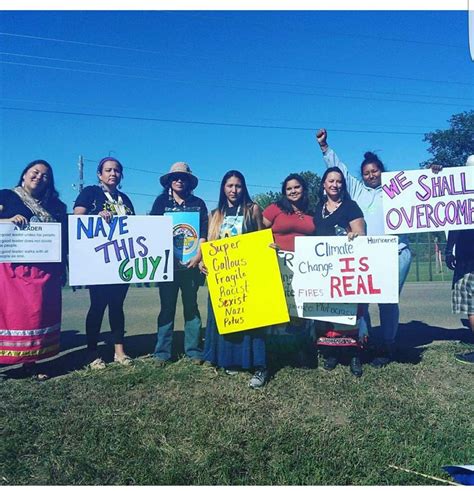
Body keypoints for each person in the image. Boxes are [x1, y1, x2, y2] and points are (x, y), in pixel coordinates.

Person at [316, 129, 411, 368]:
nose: (371, 176)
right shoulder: (358, 192)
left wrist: (434, 174)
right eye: (366, 173)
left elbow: (425, 191)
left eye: (375, 171)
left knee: (388, 301)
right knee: (362, 302)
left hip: (396, 252)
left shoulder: (398, 190)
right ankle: (364, 342)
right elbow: (340, 170)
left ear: (382, 171)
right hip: (368, 255)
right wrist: (325, 148)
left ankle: (388, 345)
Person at [0, 160, 67, 380]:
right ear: (24, 175)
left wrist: (63, 268)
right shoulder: (6, 197)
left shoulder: (57, 206)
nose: (39, 177)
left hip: (43, 271)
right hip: (12, 271)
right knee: (9, 316)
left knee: (34, 317)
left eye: (45, 175)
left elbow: (63, 239)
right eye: (35, 172)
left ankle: (30, 362)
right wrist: (7, 220)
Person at [202, 170, 267, 388]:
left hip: (248, 274)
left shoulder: (253, 209)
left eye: (238, 186)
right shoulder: (215, 214)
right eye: (229, 186)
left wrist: (268, 248)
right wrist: (204, 261)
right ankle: (230, 360)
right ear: (223, 188)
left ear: (243, 188)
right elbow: (209, 245)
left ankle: (257, 363)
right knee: (228, 317)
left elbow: (261, 237)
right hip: (224, 277)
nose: (233, 190)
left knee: (252, 321)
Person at [74, 156, 135, 369]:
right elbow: (78, 216)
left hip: (121, 263)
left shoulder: (125, 199)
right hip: (98, 262)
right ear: (100, 174)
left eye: (117, 170)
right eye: (108, 170)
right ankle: (92, 353)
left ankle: (119, 351)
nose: (112, 174)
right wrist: (96, 215)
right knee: (98, 306)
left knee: (117, 306)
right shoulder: (91, 193)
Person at [150, 162, 208, 365]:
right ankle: (162, 353)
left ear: (189, 181)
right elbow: (152, 231)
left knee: (191, 308)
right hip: (167, 266)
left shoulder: (199, 203)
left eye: (183, 177)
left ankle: (193, 350)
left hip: (191, 266)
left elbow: (203, 233)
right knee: (166, 307)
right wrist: (167, 255)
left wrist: (198, 256)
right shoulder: (160, 203)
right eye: (175, 177)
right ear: (169, 181)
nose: (179, 180)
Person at [313, 167, 367, 377]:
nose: (335, 185)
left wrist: (354, 235)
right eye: (331, 181)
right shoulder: (318, 208)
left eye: (339, 181)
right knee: (329, 311)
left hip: (347, 268)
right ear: (324, 185)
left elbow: (361, 232)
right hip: (325, 270)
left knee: (349, 313)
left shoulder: (351, 206)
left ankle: (354, 355)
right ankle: (332, 352)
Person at [262, 173, 316, 365]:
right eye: (289, 188)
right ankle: (274, 352)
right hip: (278, 266)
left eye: (297, 187)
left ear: (303, 189)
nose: (293, 191)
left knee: (299, 311)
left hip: (304, 268)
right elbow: (258, 232)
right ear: (284, 192)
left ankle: (300, 351)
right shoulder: (274, 209)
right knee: (278, 312)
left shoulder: (311, 211)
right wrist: (268, 244)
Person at [445, 154, 474, 365]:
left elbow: (455, 224)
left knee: (471, 305)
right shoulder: (459, 195)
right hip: (465, 254)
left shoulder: (461, 195)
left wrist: (449, 250)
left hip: (467, 257)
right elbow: (455, 222)